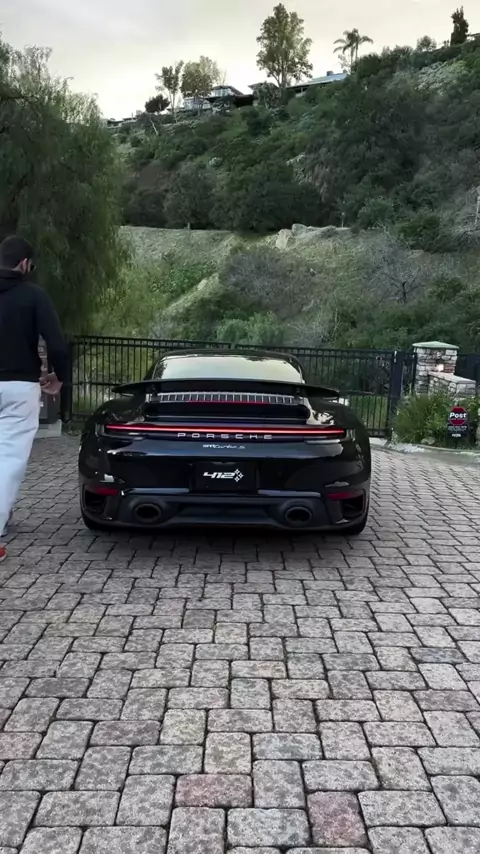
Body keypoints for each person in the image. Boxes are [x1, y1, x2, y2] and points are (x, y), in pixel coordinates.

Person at [0, 235, 68, 562]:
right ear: (25, 264)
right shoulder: (33, 296)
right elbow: (56, 343)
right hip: (18, 386)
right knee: (9, 458)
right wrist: (59, 376)